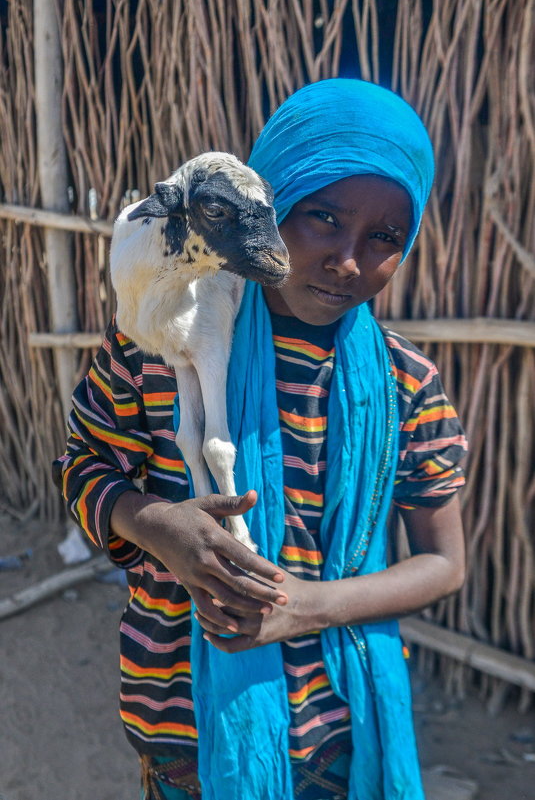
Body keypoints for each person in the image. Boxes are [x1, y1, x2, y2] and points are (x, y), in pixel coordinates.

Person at [53, 79, 468, 800]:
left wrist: (308, 605)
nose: (347, 259)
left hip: (337, 732)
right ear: (263, 206)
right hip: (181, 725)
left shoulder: (406, 384)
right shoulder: (162, 343)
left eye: (383, 238)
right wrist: (156, 524)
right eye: (322, 218)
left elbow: (441, 561)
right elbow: (80, 464)